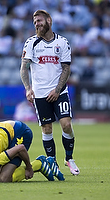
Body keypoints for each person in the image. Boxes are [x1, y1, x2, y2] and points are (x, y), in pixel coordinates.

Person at [20, 10, 80, 176]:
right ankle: (52, 162)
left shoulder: (62, 42)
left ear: (49, 21)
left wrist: (57, 89)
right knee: (46, 129)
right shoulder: (31, 43)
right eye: (35, 22)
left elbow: (66, 68)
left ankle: (69, 158)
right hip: (40, 94)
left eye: (39, 21)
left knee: (66, 124)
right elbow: (24, 67)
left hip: (59, 91)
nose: (37, 24)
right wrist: (28, 88)